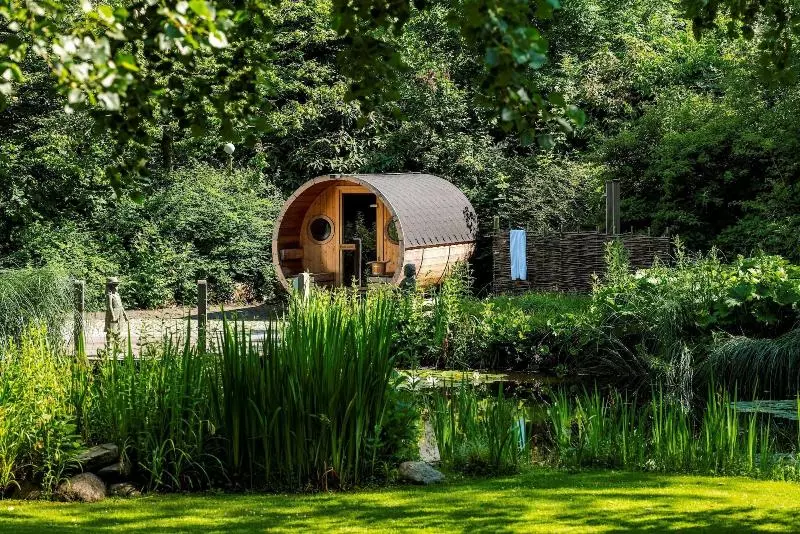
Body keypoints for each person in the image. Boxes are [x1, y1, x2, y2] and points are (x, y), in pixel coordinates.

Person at [104, 277, 128, 344]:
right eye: (116, 285)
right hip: (113, 313)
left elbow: (121, 306)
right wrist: (113, 316)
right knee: (110, 329)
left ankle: (117, 345)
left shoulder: (117, 295)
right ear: (112, 286)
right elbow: (110, 306)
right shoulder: (109, 295)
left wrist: (125, 315)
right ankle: (109, 346)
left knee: (118, 329)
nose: (117, 287)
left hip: (119, 313)